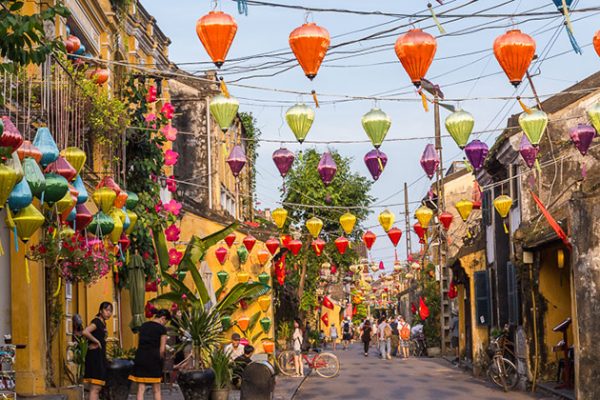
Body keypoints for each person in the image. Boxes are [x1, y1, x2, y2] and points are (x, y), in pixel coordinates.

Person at [129, 309, 171, 400]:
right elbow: (162, 350)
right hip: (154, 359)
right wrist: (162, 360)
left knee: (140, 389)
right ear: (163, 318)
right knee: (156, 389)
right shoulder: (162, 329)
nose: (165, 324)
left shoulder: (143, 326)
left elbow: (139, 343)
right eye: (166, 322)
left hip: (140, 357)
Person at [82, 302, 113, 400]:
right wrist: (96, 341)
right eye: (107, 310)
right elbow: (85, 332)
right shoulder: (97, 322)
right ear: (100, 311)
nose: (109, 313)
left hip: (99, 356)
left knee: (97, 387)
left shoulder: (103, 323)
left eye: (110, 311)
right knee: (95, 387)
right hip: (95, 357)